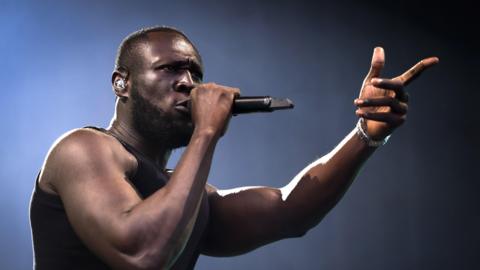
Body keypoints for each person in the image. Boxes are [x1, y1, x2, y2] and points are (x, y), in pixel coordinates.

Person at [30, 26, 438, 270]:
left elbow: (288, 211)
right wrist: (207, 132)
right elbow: (142, 255)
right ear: (123, 83)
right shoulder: (83, 149)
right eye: (171, 68)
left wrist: (367, 134)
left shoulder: (184, 196)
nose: (189, 82)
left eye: (195, 72)